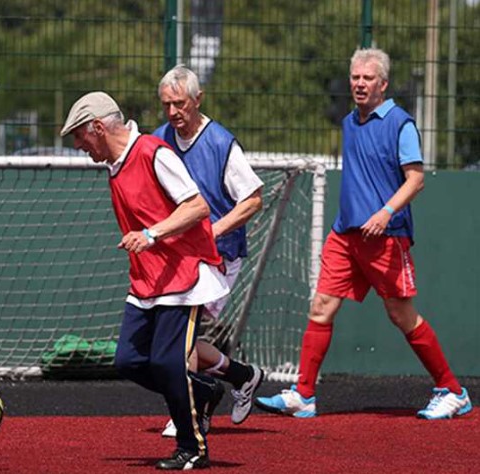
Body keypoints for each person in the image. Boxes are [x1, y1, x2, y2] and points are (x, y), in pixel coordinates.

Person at [255, 48, 473, 420]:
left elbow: (416, 179)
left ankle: (452, 390)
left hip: (387, 237)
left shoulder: (400, 124)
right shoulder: (348, 123)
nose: (359, 83)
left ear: (383, 84)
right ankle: (303, 395)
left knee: (400, 315)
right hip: (346, 235)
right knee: (321, 307)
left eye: (367, 78)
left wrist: (386, 213)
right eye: (355, 77)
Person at [60, 91, 227, 470]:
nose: (78, 146)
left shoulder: (154, 153)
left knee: (168, 363)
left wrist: (151, 234)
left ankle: (192, 448)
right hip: (149, 279)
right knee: (130, 360)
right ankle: (200, 390)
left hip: (183, 274)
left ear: (99, 128)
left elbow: (198, 206)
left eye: (81, 137)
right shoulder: (115, 163)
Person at [153, 65, 265, 438]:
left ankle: (188, 409)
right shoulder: (159, 140)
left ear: (198, 100)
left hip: (218, 255)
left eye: (179, 103)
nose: (172, 112)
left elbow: (252, 199)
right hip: (177, 255)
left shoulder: (220, 143)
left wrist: (212, 232)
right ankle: (242, 376)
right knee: (167, 338)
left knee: (179, 334)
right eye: (166, 104)